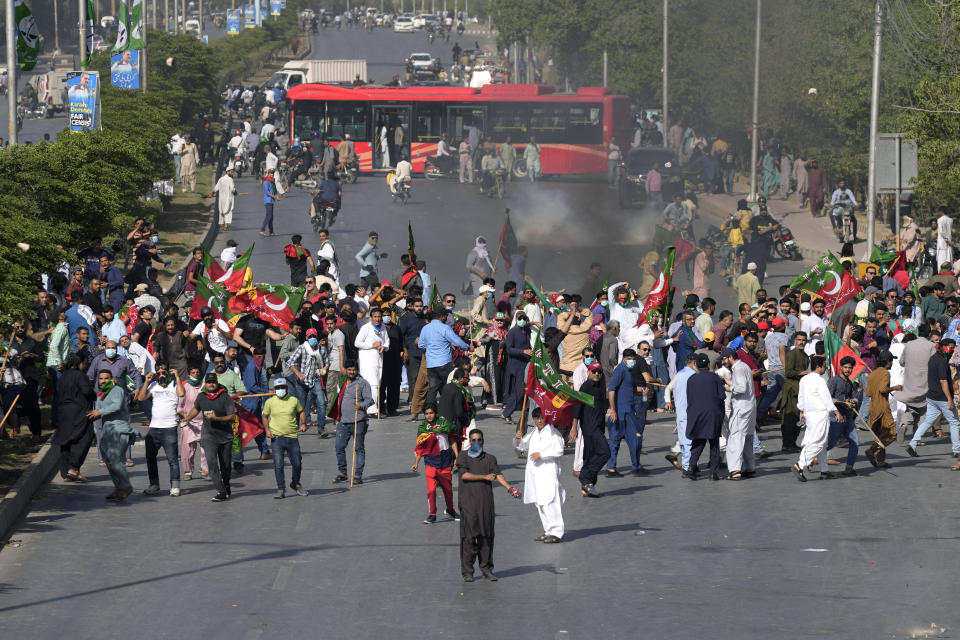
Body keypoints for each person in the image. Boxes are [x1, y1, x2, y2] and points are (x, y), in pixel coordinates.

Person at [457, 429, 522, 582]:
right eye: (473, 440)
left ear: (483, 441)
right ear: (469, 441)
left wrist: (510, 488)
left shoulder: (490, 458)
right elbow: (464, 475)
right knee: (469, 538)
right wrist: (484, 477)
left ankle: (486, 569)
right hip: (468, 504)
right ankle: (468, 571)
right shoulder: (463, 457)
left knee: (487, 537)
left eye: (479, 440)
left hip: (485, 504)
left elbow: (498, 474)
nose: (476, 442)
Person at [182, 372, 237, 502]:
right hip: (208, 436)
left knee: (226, 466)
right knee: (211, 463)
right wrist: (187, 419)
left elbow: (232, 416)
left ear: (217, 383)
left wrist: (216, 418)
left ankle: (226, 484)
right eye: (209, 382)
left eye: (213, 382)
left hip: (225, 436)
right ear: (205, 384)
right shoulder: (201, 397)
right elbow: (196, 409)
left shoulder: (225, 397)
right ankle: (221, 490)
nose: (211, 384)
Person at [905, 338, 960, 465]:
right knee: (954, 422)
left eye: (953, 348)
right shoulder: (941, 361)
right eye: (951, 347)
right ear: (943, 347)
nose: (952, 350)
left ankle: (912, 444)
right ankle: (957, 450)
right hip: (942, 398)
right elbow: (943, 381)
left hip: (932, 396)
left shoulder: (934, 358)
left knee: (928, 421)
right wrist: (949, 400)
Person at [516, 408, 566, 543]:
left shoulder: (553, 433)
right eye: (536, 418)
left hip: (547, 472)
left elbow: (559, 450)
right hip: (534, 473)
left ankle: (556, 532)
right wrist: (518, 438)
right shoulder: (533, 433)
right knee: (540, 503)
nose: (539, 421)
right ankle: (548, 530)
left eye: (542, 418)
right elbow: (522, 447)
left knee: (550, 501)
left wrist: (542, 455)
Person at [135, 363, 184, 496]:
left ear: (168, 372)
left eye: (164, 370)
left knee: (172, 459)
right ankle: (154, 485)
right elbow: (140, 398)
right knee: (150, 457)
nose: (161, 373)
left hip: (169, 428)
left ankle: (175, 485)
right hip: (154, 429)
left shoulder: (174, 385)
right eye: (158, 371)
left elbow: (181, 393)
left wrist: (177, 377)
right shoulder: (153, 385)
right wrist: (146, 381)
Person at [89, 369, 136, 501]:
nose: (103, 381)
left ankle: (126, 486)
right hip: (107, 430)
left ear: (112, 379)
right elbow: (97, 410)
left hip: (119, 429)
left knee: (115, 460)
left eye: (106, 378)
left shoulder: (117, 390)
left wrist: (99, 411)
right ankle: (119, 488)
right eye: (101, 378)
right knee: (108, 461)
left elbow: (116, 406)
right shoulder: (101, 393)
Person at [411, 402, 459, 523]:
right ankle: (432, 514)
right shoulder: (422, 428)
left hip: (445, 460)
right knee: (431, 490)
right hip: (431, 460)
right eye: (426, 414)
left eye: (431, 413)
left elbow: (452, 439)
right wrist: (416, 463)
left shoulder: (444, 423)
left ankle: (450, 510)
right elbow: (420, 447)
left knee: (447, 489)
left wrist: (457, 457)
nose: (429, 416)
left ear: (436, 413)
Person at [52, 352, 95, 482]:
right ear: (80, 362)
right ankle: (73, 468)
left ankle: (66, 473)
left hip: (64, 411)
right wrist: (94, 395)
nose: (86, 365)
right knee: (84, 437)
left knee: (66, 440)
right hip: (79, 411)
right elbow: (87, 391)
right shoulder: (80, 375)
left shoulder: (63, 376)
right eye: (85, 362)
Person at [263, 378, 309, 499]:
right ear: (274, 390)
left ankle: (295, 483)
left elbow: (301, 412)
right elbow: (264, 416)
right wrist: (267, 430)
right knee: (278, 465)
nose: (280, 390)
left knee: (297, 463)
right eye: (277, 388)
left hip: (292, 437)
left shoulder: (294, 400)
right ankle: (281, 489)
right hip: (277, 438)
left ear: (286, 388)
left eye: (282, 387)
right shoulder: (270, 402)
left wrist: (303, 423)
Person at [792, 356, 836, 481]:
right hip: (820, 414)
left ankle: (824, 470)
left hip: (809, 414)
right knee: (818, 441)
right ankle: (799, 465)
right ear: (819, 366)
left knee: (820, 441)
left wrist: (801, 410)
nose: (826, 367)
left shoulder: (804, 379)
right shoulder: (820, 380)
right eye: (824, 365)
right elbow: (826, 398)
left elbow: (801, 398)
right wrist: (835, 411)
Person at [329, 360, 374, 484]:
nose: (352, 372)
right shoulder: (342, 381)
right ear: (345, 370)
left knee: (358, 448)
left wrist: (361, 405)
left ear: (357, 370)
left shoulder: (363, 383)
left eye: (354, 369)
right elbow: (336, 398)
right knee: (339, 447)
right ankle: (342, 473)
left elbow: (370, 400)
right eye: (349, 370)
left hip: (358, 421)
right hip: (343, 421)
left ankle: (358, 476)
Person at [684, 353, 725, 480]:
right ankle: (713, 472)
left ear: (696, 364)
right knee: (714, 443)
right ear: (708, 364)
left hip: (696, 414)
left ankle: (692, 466)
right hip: (712, 414)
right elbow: (722, 396)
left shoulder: (691, 379)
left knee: (698, 441)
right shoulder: (715, 378)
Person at [722, 348, 756, 479]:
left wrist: (727, 388)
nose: (724, 362)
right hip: (749, 406)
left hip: (741, 408)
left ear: (730, 357)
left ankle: (735, 470)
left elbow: (741, 388)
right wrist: (726, 381)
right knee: (747, 437)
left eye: (724, 359)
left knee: (735, 437)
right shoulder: (744, 366)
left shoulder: (738, 369)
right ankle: (749, 466)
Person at [865, 350, 901, 468]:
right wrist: (895, 387)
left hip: (873, 408)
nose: (892, 363)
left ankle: (881, 461)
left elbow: (868, 393)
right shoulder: (885, 373)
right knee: (891, 434)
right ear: (887, 362)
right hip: (882, 406)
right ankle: (871, 450)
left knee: (880, 434)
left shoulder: (872, 374)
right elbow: (882, 389)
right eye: (891, 361)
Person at [826, 356, 860, 477]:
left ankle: (849, 468)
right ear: (841, 367)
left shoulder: (850, 383)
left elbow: (855, 397)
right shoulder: (833, 381)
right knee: (830, 443)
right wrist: (842, 402)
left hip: (848, 417)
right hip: (835, 417)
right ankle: (811, 459)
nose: (847, 370)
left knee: (855, 442)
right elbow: (828, 398)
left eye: (850, 368)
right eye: (845, 367)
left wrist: (853, 401)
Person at [355, 307, 389, 418]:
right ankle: (372, 409)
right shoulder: (366, 328)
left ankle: (368, 407)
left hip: (379, 359)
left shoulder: (383, 327)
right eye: (375, 317)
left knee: (377, 384)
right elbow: (357, 343)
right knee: (372, 384)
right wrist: (371, 345)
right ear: (371, 317)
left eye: (379, 317)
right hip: (367, 360)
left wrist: (384, 346)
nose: (377, 319)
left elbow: (387, 340)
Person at [177, 365, 208, 481]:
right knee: (187, 451)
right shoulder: (184, 387)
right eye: (193, 372)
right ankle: (188, 472)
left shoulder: (205, 386)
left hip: (204, 423)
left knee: (206, 449)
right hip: (189, 424)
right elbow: (179, 408)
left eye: (197, 372)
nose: (196, 374)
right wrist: (188, 417)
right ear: (189, 374)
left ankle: (206, 470)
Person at [781, 331, 809, 452]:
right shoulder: (793, 353)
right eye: (799, 340)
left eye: (803, 340)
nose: (801, 342)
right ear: (795, 341)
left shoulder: (804, 354)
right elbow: (788, 372)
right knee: (790, 418)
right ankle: (787, 444)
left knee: (798, 418)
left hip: (801, 390)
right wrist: (801, 373)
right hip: (792, 390)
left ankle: (792, 442)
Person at [213, 167, 237, 231]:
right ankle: (226, 225)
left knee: (222, 211)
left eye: (232, 172)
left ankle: (223, 225)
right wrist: (235, 192)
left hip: (221, 198)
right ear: (227, 172)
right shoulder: (230, 179)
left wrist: (212, 193)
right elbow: (232, 189)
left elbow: (216, 188)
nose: (232, 173)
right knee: (228, 211)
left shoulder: (221, 179)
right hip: (228, 198)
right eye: (231, 172)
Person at [260, 168, 280, 236]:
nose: (272, 174)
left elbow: (274, 191)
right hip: (268, 201)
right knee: (268, 216)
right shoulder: (266, 182)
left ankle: (271, 232)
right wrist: (275, 197)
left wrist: (276, 196)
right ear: (268, 174)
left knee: (271, 217)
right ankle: (262, 230)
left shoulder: (272, 181)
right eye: (271, 173)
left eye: (273, 173)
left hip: (271, 201)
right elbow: (267, 192)